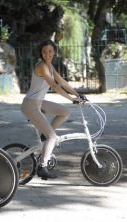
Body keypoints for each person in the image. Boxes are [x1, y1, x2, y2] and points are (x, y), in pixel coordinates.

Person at [21, 39, 82, 179]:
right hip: (31, 105)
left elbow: (62, 82)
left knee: (65, 112)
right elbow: (54, 86)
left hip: (39, 103)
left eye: (50, 51)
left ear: (54, 52)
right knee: (53, 137)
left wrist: (79, 95)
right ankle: (42, 167)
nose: (47, 54)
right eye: (44, 51)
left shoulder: (50, 66)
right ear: (41, 53)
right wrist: (72, 99)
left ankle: (45, 135)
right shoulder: (41, 66)